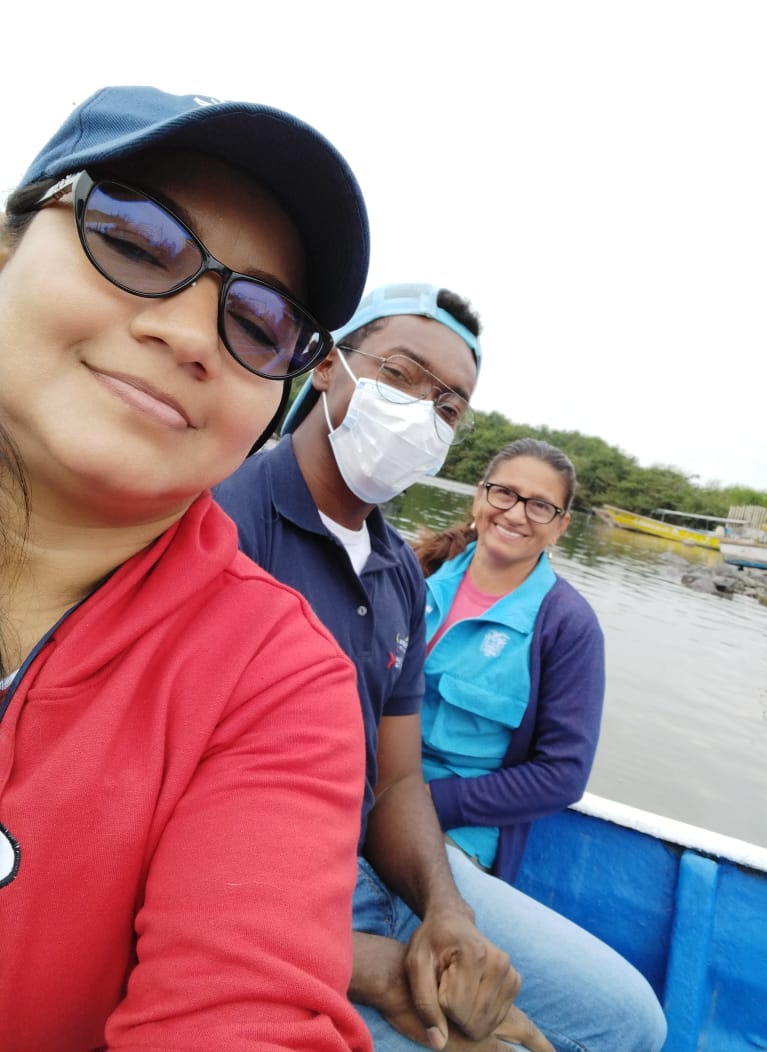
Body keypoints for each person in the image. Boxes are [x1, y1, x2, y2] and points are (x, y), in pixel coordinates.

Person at [0, 85, 374, 1051]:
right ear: (7, 249)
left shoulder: (278, 679)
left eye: (262, 323)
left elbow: (248, 1008)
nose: (192, 335)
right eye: (132, 239)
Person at [214, 282, 668, 1052]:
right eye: (399, 374)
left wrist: (446, 907)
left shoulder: (397, 574)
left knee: (629, 1022)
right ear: (324, 365)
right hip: (255, 896)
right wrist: (360, 963)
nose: (420, 412)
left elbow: (396, 780)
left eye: (449, 407)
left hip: (383, 863)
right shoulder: (224, 521)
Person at [413, 438, 604, 881]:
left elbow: (562, 774)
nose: (516, 514)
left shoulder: (567, 625)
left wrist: (428, 801)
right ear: (479, 496)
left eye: (540, 506)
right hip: (358, 784)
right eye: (504, 493)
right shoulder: (415, 572)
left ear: (561, 526)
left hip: (454, 831)